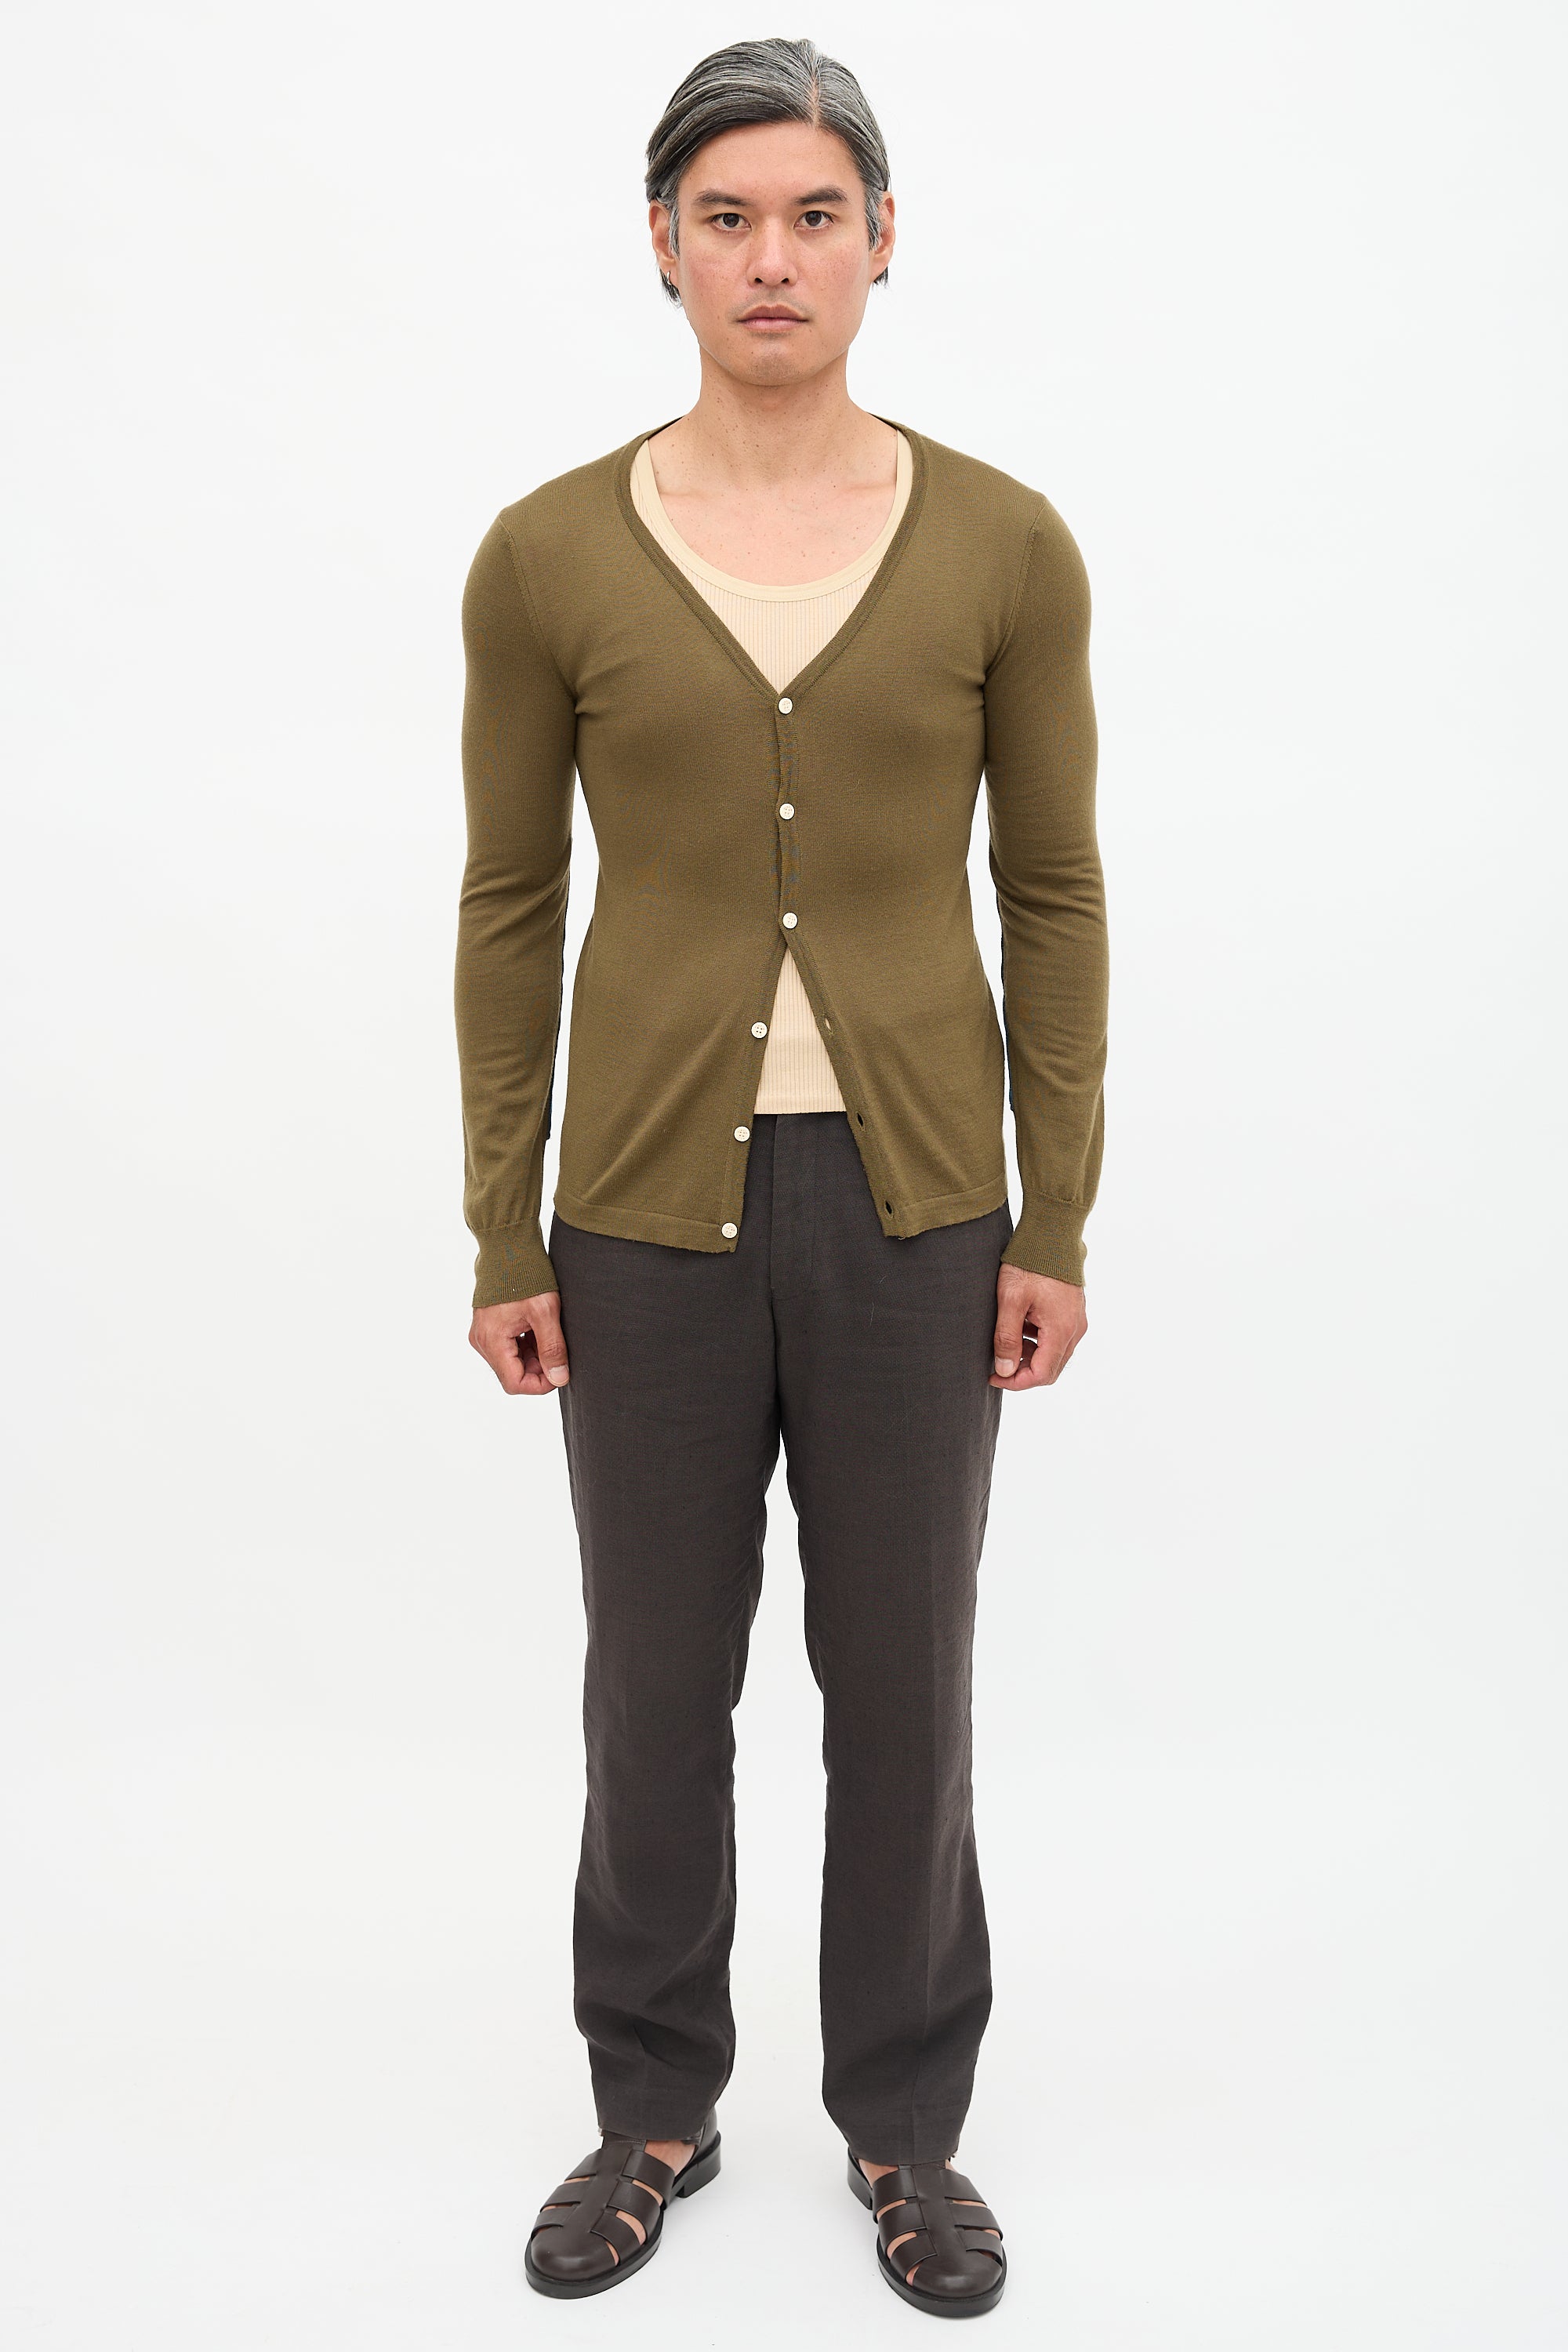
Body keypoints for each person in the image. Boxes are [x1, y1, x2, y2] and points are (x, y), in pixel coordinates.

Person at [454, 35, 1107, 2318]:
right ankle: (653, 2108)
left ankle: (905, 2132)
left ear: (883, 239)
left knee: (904, 1690)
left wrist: (1056, 1212)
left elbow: (1055, 891)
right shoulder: (548, 554)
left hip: (922, 1211)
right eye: (725, 217)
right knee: (655, 1689)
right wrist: (501, 1218)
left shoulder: (1005, 542)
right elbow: (510, 903)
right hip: (641, 1214)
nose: (771, 257)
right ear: (661, 245)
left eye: (815, 215)